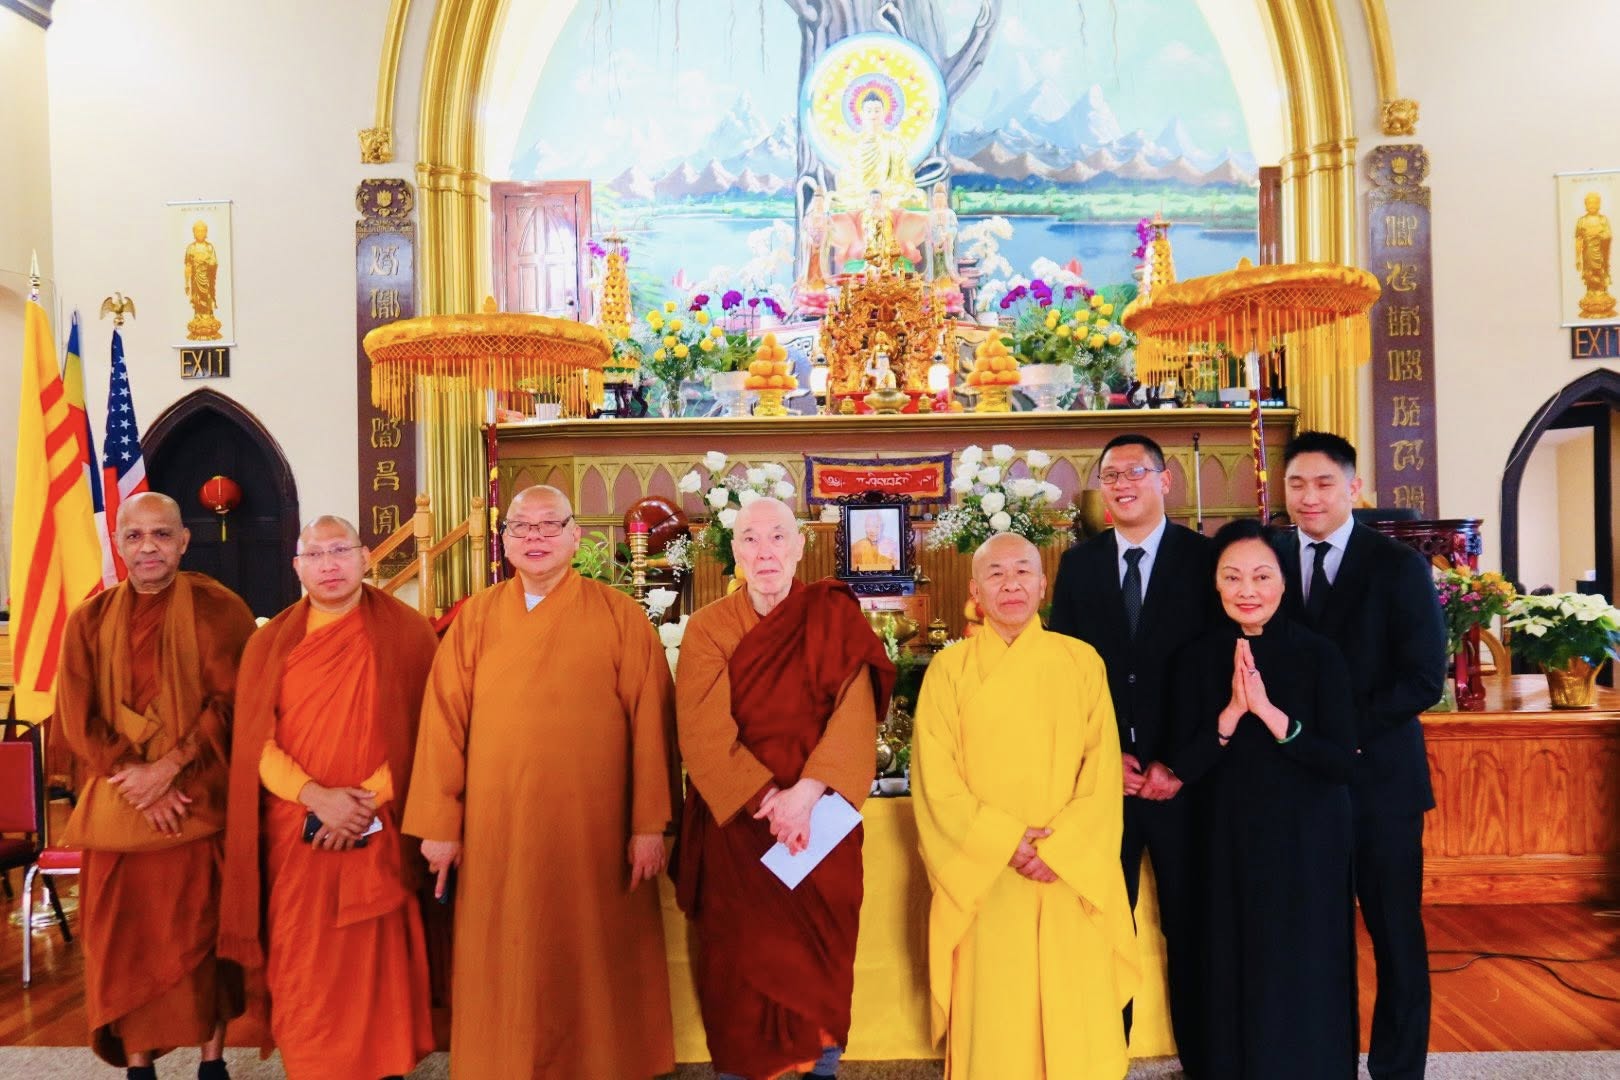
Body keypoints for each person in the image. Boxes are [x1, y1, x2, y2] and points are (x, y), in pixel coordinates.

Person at [401, 484, 678, 1078]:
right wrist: (440, 827)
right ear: (504, 541)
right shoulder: (476, 618)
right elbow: (442, 725)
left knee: (596, 954)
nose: (535, 538)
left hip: (596, 831)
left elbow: (653, 727)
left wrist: (649, 825)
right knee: (508, 951)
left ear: (576, 536)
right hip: (499, 830)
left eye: (549, 525)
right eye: (521, 527)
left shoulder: (620, 616)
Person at [674, 496, 894, 1080]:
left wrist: (807, 793)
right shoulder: (708, 628)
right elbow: (701, 727)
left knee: (821, 953)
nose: (765, 551)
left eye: (777, 538)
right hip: (738, 823)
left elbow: (855, 711)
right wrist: (767, 799)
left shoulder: (832, 616)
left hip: (819, 823)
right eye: (750, 539)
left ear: (800, 547)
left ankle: (822, 1066)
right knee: (739, 961)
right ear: (735, 552)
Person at [912, 532, 1139, 1080]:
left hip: (1067, 873)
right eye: (995, 574)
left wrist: (1060, 849)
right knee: (997, 1022)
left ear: (1043, 585)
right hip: (988, 877)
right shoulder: (949, 671)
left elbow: (1102, 770)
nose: (1010, 584)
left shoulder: (1082, 662)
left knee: (1074, 1013)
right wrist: (1004, 842)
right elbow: (934, 780)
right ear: (975, 591)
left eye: (1022, 572)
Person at [218, 516, 437, 1080]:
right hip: (297, 832)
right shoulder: (268, 644)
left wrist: (361, 803)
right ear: (297, 567)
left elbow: (427, 732)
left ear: (366, 557)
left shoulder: (409, 633)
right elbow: (254, 743)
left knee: (376, 962)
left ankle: (383, 1067)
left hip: (379, 822)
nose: (329, 564)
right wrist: (317, 797)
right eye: (315, 554)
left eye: (340, 550)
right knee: (303, 962)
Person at [54, 491, 257, 1078]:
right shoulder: (88, 620)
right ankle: (139, 1066)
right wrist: (137, 778)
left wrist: (167, 770)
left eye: (162, 535)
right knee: (123, 943)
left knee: (202, 933)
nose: (149, 547)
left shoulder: (221, 610)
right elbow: (78, 715)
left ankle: (212, 1063)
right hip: (119, 802)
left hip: (196, 798)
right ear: (117, 543)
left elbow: (233, 702)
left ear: (184, 541)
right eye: (135, 536)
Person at [1281, 431, 1446, 1080]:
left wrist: (1340, 734)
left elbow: (1423, 678)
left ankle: (1398, 1069)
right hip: (1296, 783)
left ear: (1354, 488)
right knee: (1308, 936)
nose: (1309, 497)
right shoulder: (1267, 557)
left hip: (1379, 781)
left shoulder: (1397, 566)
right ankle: (1318, 1060)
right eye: (1297, 484)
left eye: (1324, 483)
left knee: (1394, 933)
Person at [1047, 432, 1214, 1075]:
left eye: (1135, 472)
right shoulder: (1080, 565)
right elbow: (1066, 676)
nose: (1122, 485)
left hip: (1184, 783)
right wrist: (1101, 759)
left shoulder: (1205, 561)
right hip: (1105, 784)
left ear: (1164, 480)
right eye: (1111, 475)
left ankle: (1203, 1059)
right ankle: (1103, 1058)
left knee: (1190, 928)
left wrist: (1182, 763)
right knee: (1103, 923)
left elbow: (1220, 673)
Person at [1169, 519, 1358, 1078]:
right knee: (1229, 959)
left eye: (1261, 576)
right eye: (1232, 577)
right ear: (1215, 584)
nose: (1246, 590)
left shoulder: (1321, 655)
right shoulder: (1196, 657)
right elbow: (1184, 765)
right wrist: (1231, 714)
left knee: (1302, 961)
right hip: (1223, 836)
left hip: (1306, 839)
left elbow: (1341, 761)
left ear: (1283, 581)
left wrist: (1272, 715)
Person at [832, 92, 919, 211]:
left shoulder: (895, 143)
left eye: (877, 111)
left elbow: (908, 182)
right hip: (860, 197)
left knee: (918, 197)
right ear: (862, 115)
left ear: (884, 114)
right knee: (832, 200)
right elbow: (844, 183)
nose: (873, 115)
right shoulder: (853, 145)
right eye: (869, 111)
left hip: (889, 196)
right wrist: (865, 192)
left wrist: (886, 190)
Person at [1574, 191, 1616, 319]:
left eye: (1595, 203)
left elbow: (1608, 235)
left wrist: (1599, 235)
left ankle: (1601, 292)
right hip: (1587, 253)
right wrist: (1577, 258)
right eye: (1589, 203)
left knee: (1601, 271)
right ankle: (1591, 292)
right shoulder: (1582, 221)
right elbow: (1578, 239)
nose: (1592, 205)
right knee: (1589, 273)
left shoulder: (1603, 219)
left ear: (1599, 204)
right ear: (1585, 205)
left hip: (1600, 252)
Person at [183, 220, 222, 340]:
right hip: (195, 279)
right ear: (194, 233)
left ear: (206, 233)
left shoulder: (209, 247)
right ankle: (198, 316)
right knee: (197, 299)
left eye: (202, 231)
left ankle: (208, 316)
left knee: (208, 297)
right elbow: (188, 266)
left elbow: (214, 262)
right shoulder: (191, 248)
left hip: (207, 278)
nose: (200, 233)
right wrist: (186, 283)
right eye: (197, 231)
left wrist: (207, 262)